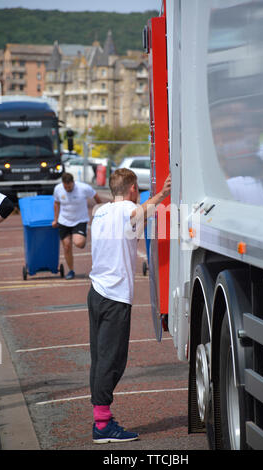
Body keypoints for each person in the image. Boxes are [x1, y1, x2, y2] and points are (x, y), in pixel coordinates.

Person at [88, 168, 171, 444]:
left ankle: (103, 418)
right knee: (112, 360)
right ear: (133, 188)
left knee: (101, 358)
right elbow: (138, 214)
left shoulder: (100, 212)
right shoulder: (127, 209)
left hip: (97, 292)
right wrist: (163, 194)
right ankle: (102, 425)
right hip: (114, 296)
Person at [52, 172, 102, 280]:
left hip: (80, 220)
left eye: (69, 186)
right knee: (66, 246)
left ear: (73, 183)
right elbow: (56, 203)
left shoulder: (84, 188)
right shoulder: (58, 189)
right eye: (65, 187)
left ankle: (81, 240)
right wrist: (55, 219)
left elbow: (96, 197)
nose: (67, 189)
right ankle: (71, 270)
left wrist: (102, 211)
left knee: (79, 243)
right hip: (64, 220)